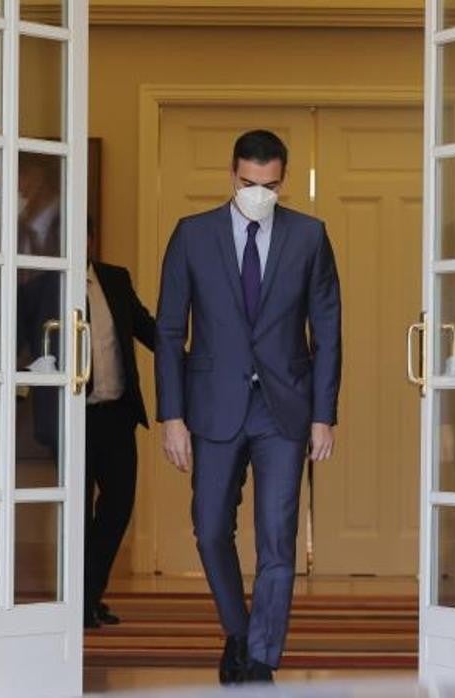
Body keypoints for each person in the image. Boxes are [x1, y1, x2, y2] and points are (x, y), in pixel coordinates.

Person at [155, 129, 342, 684]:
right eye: (247, 182)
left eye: (270, 184)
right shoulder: (193, 235)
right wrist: (172, 415)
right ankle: (239, 631)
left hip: (284, 409)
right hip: (212, 405)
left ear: (283, 181)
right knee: (210, 528)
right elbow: (169, 331)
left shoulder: (310, 236)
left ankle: (260, 661)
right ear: (230, 176)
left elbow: (327, 331)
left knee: (278, 540)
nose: (258, 192)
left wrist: (323, 414)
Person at [81, 219, 156, 628]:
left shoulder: (115, 278)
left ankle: (89, 594)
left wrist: (200, 355)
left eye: (85, 233)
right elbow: (17, 338)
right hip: (74, 422)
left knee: (117, 507)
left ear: (92, 238)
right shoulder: (44, 283)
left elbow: (146, 327)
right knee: (75, 513)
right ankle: (79, 602)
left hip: (118, 416)